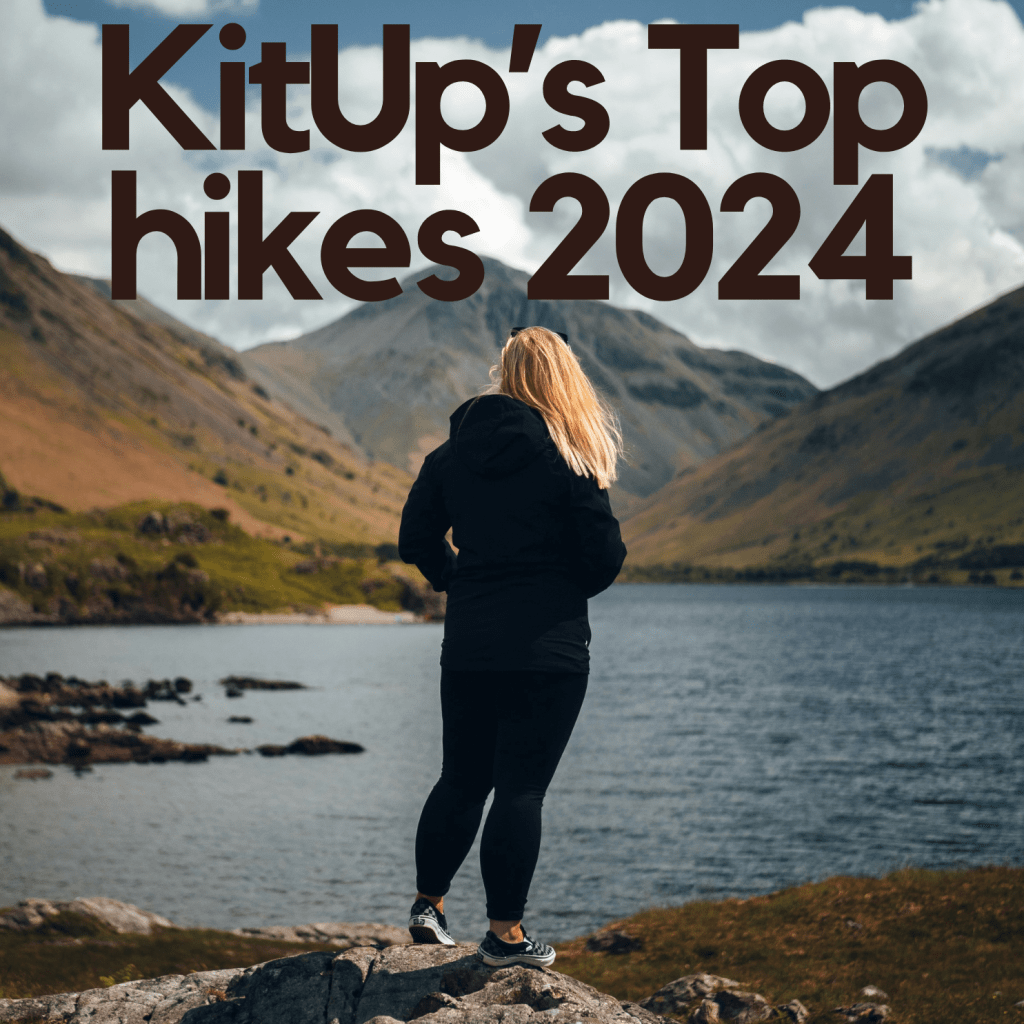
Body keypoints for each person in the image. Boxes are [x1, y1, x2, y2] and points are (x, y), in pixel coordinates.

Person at [398, 325, 627, 968]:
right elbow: (604, 556)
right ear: (562, 377)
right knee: (521, 790)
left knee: (462, 777)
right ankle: (505, 936)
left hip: (470, 641)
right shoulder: (570, 450)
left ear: (504, 374)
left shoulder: (450, 455)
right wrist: (559, 591)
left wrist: (460, 581)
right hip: (548, 648)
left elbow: (416, 539)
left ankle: (428, 906)